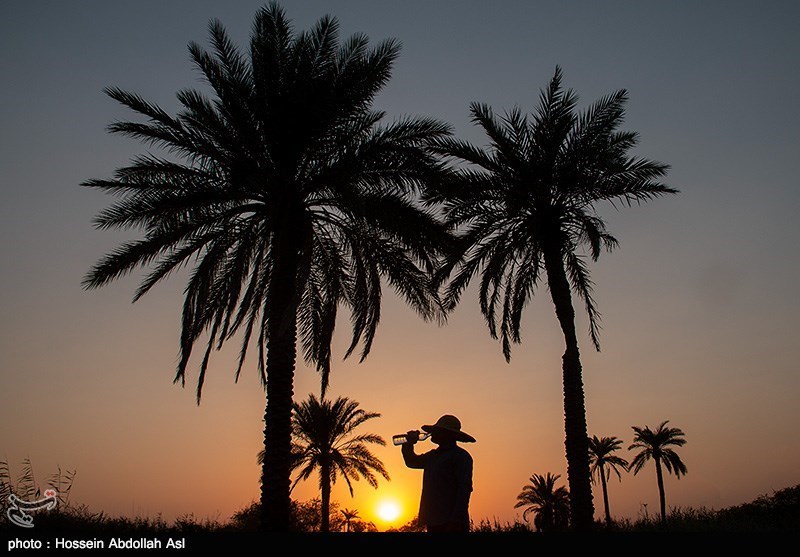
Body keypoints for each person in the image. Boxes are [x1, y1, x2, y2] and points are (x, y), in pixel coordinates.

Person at [401, 414, 475, 532]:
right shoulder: (433, 456)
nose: (433, 433)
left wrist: (455, 520)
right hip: (434, 521)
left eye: (437, 431)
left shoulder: (461, 457)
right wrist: (408, 444)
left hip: (452, 523)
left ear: (447, 434)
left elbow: (464, 489)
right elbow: (411, 462)